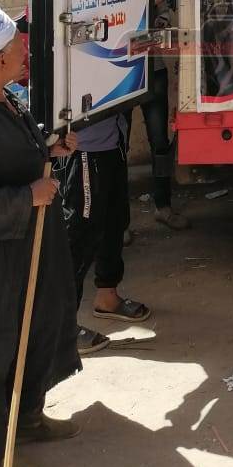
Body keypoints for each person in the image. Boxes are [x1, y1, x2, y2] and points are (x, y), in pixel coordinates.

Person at [0, 6, 81, 467]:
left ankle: (27, 418)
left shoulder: (7, 98)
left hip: (32, 247)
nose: (26, 53)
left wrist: (48, 147)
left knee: (41, 324)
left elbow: (15, 150)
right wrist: (26, 197)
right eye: (18, 48)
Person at [56, 111, 151, 355]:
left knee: (115, 221)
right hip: (84, 147)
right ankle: (62, 330)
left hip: (113, 139)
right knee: (80, 235)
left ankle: (107, 297)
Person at [127, 0, 189, 231]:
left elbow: (163, 23)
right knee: (118, 149)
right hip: (123, 78)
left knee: (160, 144)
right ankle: (120, 222)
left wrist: (156, 7)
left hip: (154, 74)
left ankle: (163, 207)